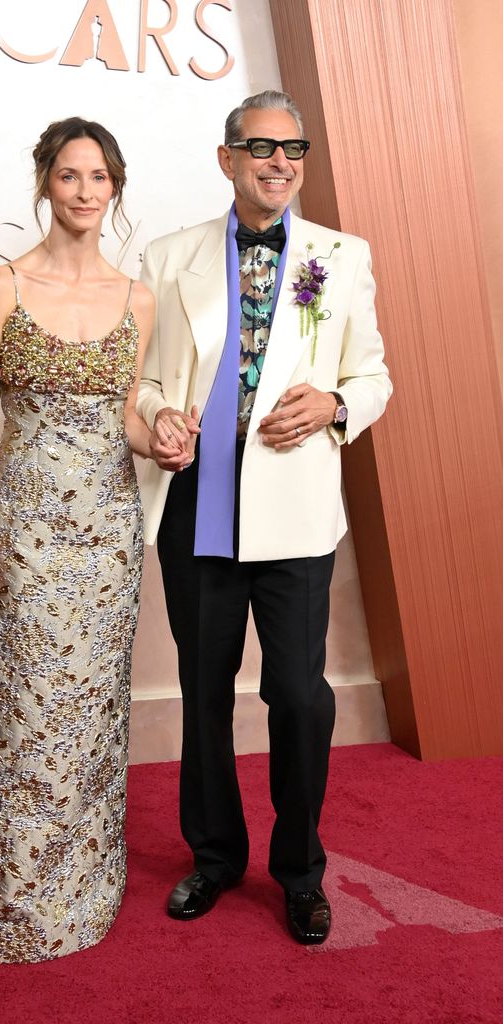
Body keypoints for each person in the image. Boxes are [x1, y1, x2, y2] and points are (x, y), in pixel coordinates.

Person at [136, 90, 392, 945]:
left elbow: (373, 376)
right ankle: (212, 859)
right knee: (204, 694)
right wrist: (157, 415)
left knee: (299, 696)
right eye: (260, 148)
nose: (280, 162)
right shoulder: (168, 256)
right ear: (226, 159)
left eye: (294, 149)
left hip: (295, 513)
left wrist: (333, 402)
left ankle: (300, 872)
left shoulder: (340, 256)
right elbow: (134, 378)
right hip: (197, 509)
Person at [0, 117, 154, 963]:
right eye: (70, 176)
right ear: (44, 183)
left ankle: (77, 897)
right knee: (24, 716)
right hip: (26, 528)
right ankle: (4, 907)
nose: (85, 192)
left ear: (115, 189)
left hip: (108, 536)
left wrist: (166, 433)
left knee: (91, 719)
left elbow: (127, 420)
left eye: (99, 178)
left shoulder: (138, 298)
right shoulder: (3, 286)